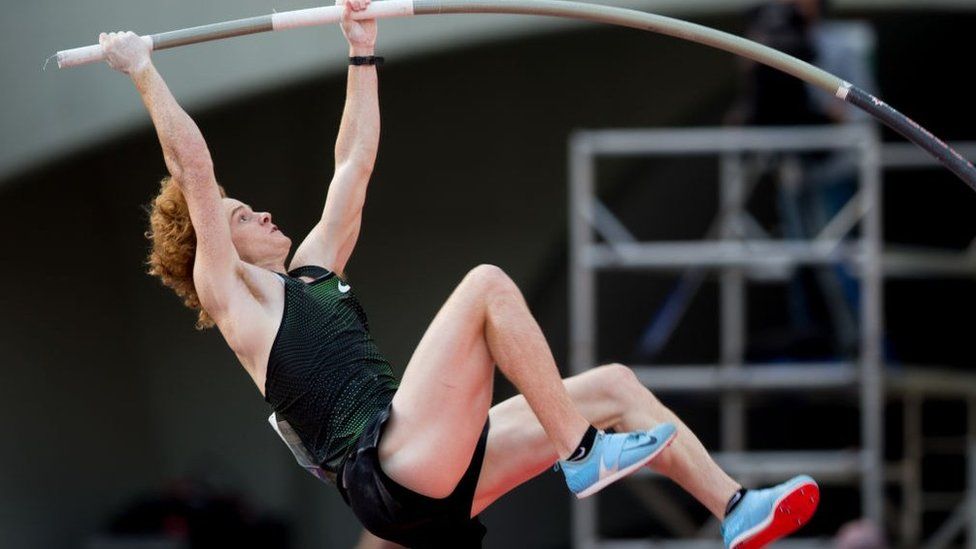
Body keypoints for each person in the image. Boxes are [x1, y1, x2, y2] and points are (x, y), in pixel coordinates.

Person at [98, 1, 820, 546]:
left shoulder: (311, 272)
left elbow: (353, 163)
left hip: (433, 471)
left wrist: (361, 52)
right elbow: (193, 169)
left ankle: (735, 508)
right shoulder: (238, 304)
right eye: (239, 215)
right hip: (392, 465)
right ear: (211, 250)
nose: (259, 214)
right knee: (484, 286)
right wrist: (143, 71)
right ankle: (581, 454)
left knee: (613, 386)